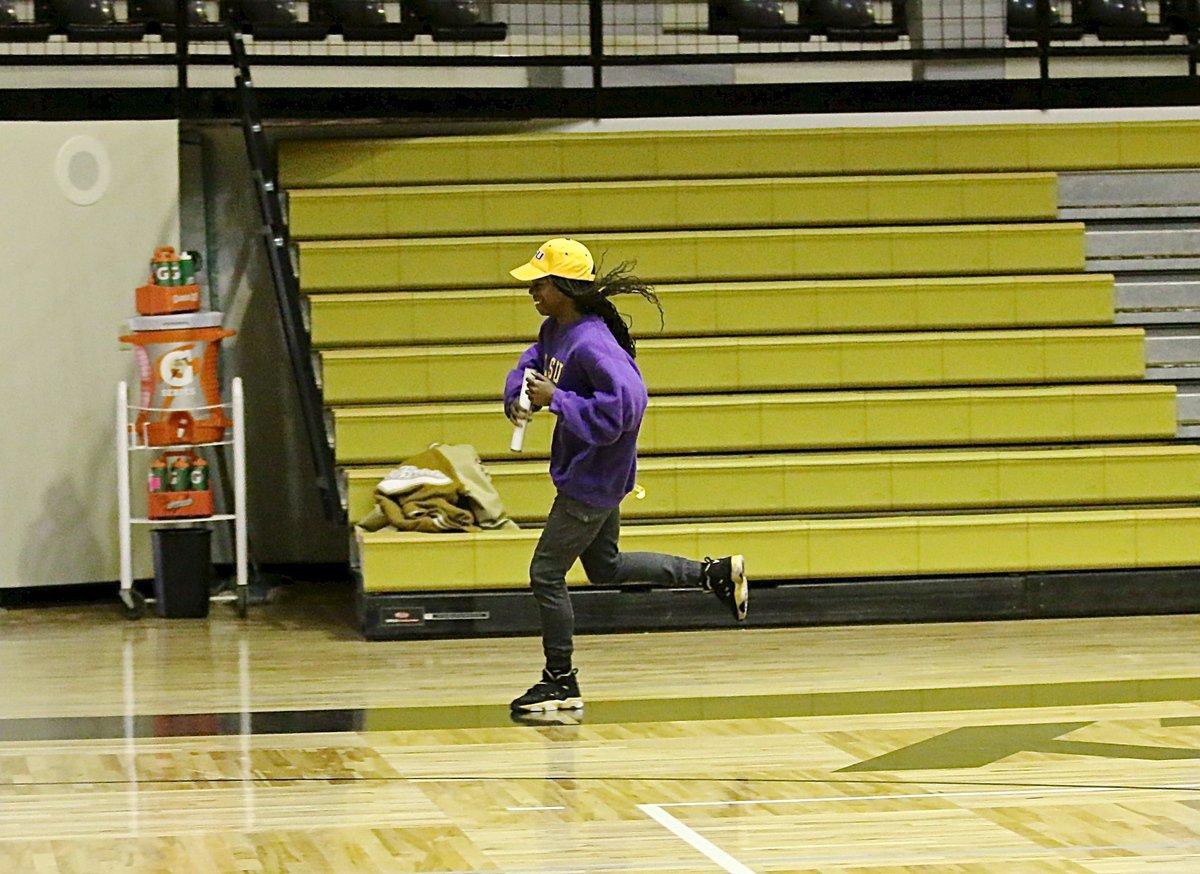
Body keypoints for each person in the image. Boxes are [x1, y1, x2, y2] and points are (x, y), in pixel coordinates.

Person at [503, 237, 749, 713]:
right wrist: (519, 393)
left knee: (545, 574)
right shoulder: (557, 330)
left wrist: (559, 400)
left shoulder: (592, 342)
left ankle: (560, 680)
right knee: (605, 567)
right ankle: (714, 574)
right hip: (591, 475)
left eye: (539, 283)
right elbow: (532, 363)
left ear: (564, 287)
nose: (531, 291)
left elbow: (628, 405)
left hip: (592, 483)